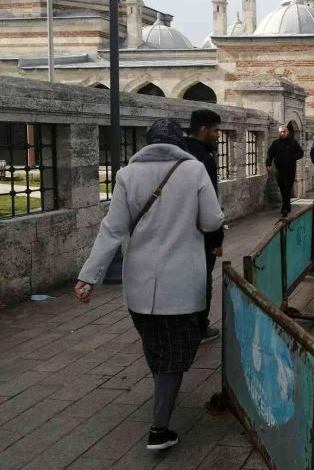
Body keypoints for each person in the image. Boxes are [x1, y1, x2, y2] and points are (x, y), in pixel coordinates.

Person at [74, 118, 224, 452]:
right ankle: (160, 427)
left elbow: (112, 229)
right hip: (182, 282)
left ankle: (163, 400)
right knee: (175, 351)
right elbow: (212, 220)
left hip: (140, 284)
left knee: (157, 345)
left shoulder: (127, 174)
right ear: (177, 141)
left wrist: (88, 276)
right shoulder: (194, 170)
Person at [182, 110, 224, 343]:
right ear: (204, 130)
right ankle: (199, 328)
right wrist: (216, 241)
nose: (218, 135)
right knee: (202, 281)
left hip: (178, 230)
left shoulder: (179, 152)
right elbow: (209, 204)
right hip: (200, 233)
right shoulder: (203, 160)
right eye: (216, 130)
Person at [266, 125, 304, 217]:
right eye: (281, 132)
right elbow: (270, 153)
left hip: (290, 170)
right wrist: (268, 163)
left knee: (287, 188)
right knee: (282, 188)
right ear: (279, 133)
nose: (282, 133)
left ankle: (285, 208)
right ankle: (287, 205)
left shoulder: (293, 142)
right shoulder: (275, 143)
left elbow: (301, 153)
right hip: (279, 170)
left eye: (284, 131)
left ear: (287, 132)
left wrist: (292, 158)